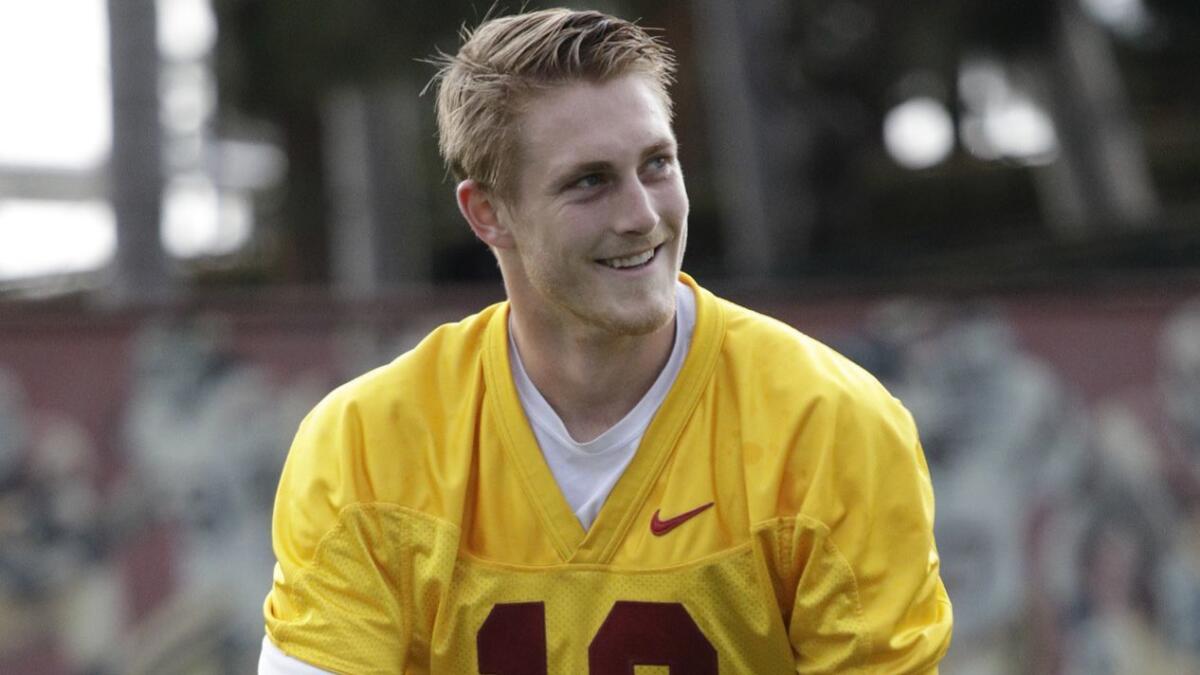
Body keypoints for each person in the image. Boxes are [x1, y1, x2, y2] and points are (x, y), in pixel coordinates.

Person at [259, 8, 952, 673]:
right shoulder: (368, 447)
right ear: (488, 213)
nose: (642, 215)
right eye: (590, 181)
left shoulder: (830, 427)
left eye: (657, 163)